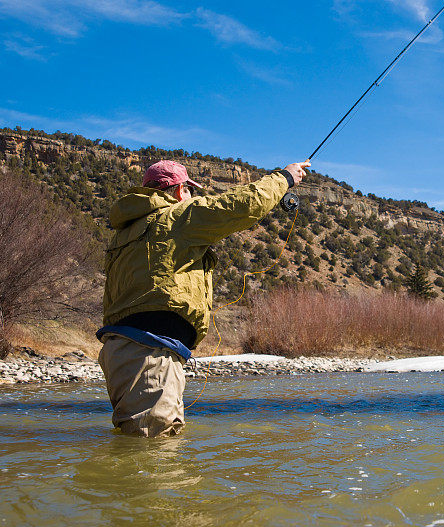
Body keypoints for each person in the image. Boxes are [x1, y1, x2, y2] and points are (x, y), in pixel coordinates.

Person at [97, 159, 309, 437]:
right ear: (177, 190)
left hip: (121, 352)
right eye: (189, 191)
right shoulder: (174, 217)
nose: (191, 197)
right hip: (150, 353)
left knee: (139, 444)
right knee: (154, 454)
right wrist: (284, 178)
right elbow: (242, 204)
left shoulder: (124, 236)